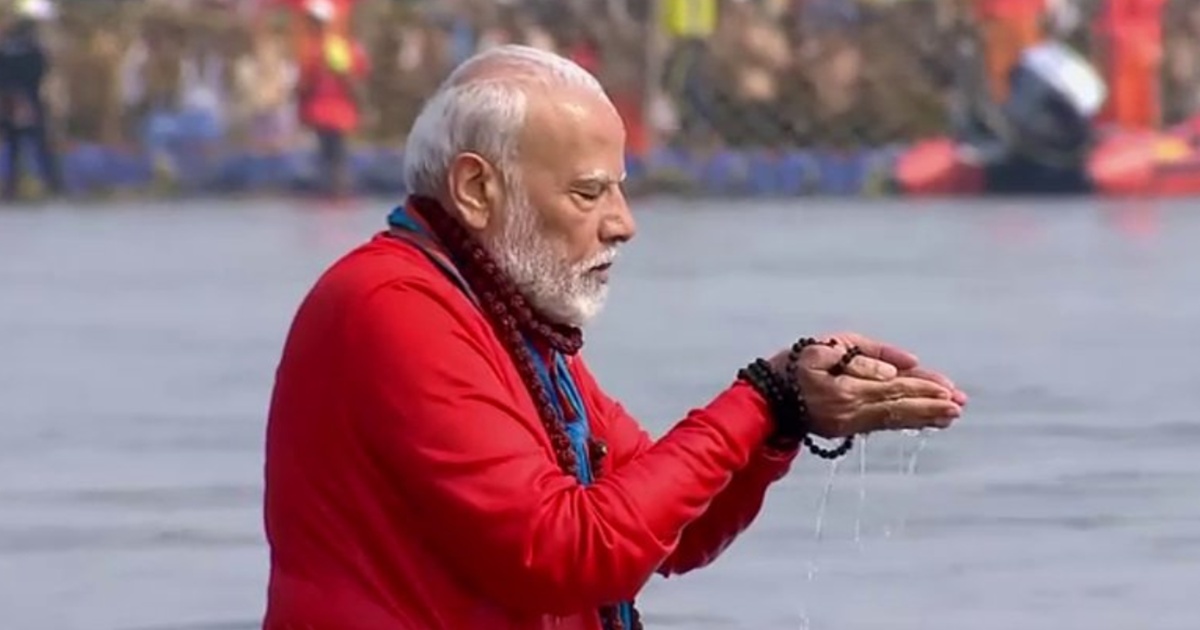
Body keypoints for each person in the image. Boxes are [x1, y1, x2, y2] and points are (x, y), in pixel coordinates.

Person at [263, 45, 967, 630]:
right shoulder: (393, 306)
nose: (623, 222)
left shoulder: (506, 318)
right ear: (477, 191)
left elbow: (677, 533)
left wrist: (785, 411)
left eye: (619, 191)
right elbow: (569, 554)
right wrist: (758, 396)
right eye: (589, 193)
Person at [294, 0, 367, 195]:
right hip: (327, 113)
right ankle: (335, 192)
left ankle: (336, 193)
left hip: (333, 112)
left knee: (334, 158)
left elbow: (347, 80)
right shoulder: (322, 47)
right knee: (332, 157)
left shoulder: (329, 47)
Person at [0, 0, 61, 201]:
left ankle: (13, 184)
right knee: (36, 143)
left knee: (16, 143)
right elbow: (42, 70)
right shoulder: (33, 50)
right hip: (28, 98)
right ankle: (49, 181)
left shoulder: (6, 49)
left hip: (11, 99)